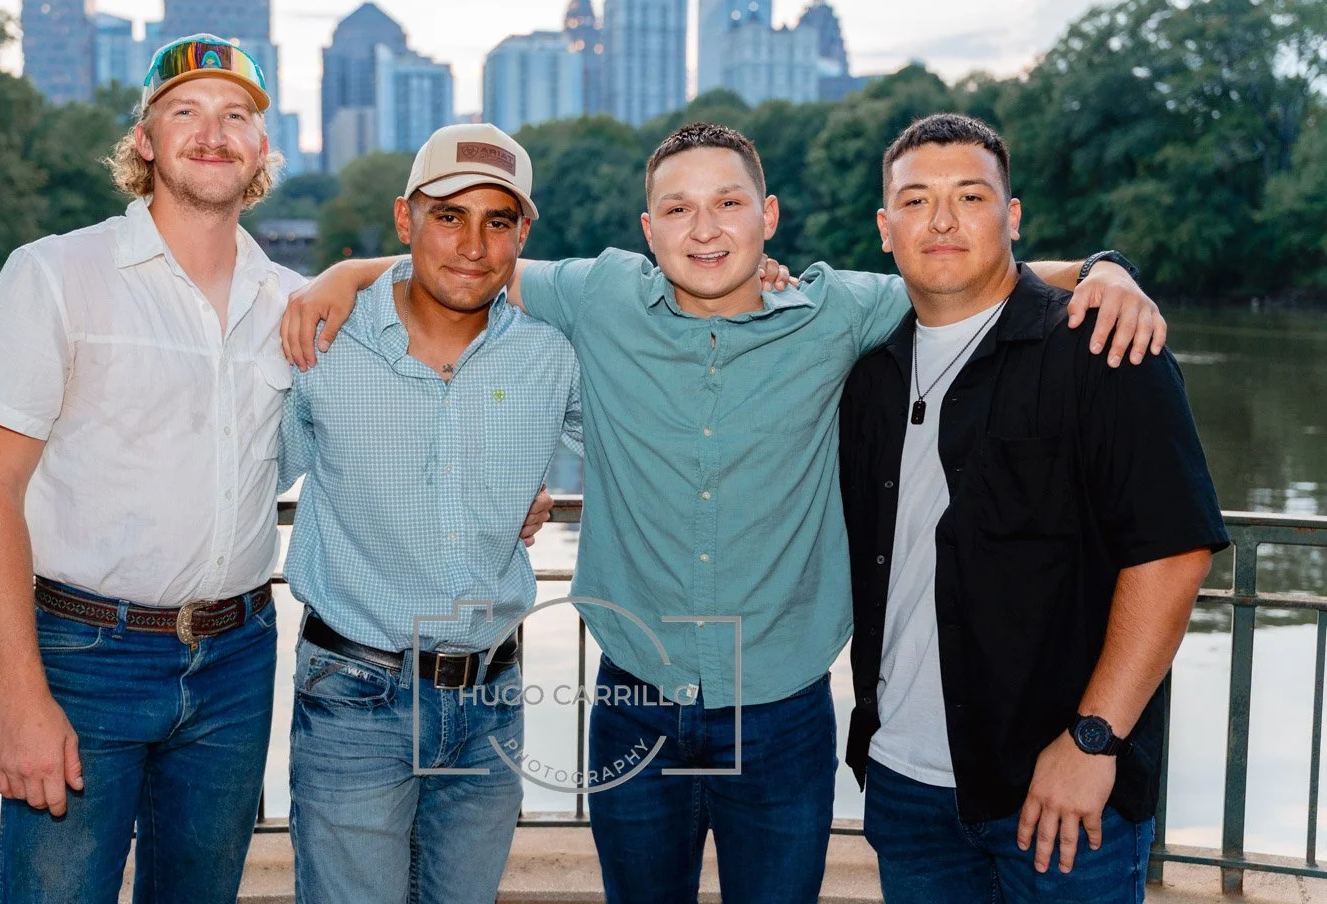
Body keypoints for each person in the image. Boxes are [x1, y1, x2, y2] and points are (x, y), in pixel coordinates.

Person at [280, 122, 1168, 904]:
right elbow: (465, 263)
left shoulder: (837, 312)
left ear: (768, 217)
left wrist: (1103, 271)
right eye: (677, 209)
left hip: (780, 714)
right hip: (633, 701)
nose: (704, 229)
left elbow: (980, 277)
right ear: (647, 229)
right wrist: (344, 274)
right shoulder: (597, 296)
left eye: (728, 204)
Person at [838, 113, 1228, 904]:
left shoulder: (1103, 348)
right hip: (906, 787)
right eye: (915, 202)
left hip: (1059, 791)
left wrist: (1094, 739)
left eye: (970, 196)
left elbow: (1173, 550)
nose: (941, 220)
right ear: (885, 229)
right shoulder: (871, 375)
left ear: (1011, 217)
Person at [0, 34, 295, 903]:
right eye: (185, 113)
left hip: (237, 661)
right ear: (144, 140)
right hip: (82, 656)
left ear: (260, 148)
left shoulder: (293, 301)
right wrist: (20, 699)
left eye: (235, 116)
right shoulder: (57, 274)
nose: (212, 134)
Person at [280, 122, 582, 904]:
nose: (473, 245)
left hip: (492, 703)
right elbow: (227, 479)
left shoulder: (554, 353)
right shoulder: (321, 339)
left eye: (499, 221)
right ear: (405, 220)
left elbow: (655, 444)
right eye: (448, 216)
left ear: (522, 235)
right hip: (354, 693)